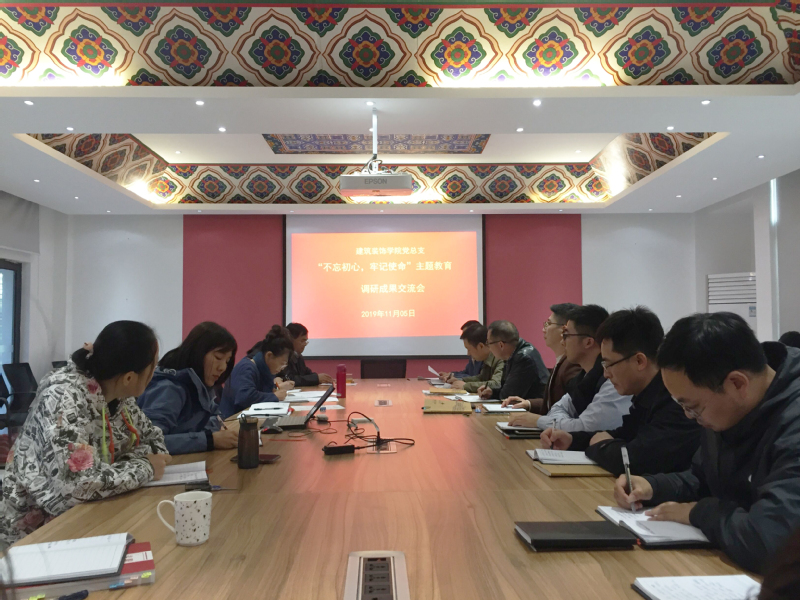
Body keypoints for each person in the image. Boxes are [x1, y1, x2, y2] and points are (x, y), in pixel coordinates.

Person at [614, 312, 800, 575]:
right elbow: (704, 478)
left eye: (694, 407)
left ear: (737, 383)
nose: (690, 417)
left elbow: (771, 542)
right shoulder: (728, 407)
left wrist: (700, 513)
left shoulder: (792, 423)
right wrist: (654, 486)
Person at [0, 321, 170, 545]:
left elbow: (154, 441)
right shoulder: (63, 399)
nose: (154, 373)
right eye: (152, 367)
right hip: (33, 533)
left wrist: (121, 468)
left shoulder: (121, 399)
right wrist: (145, 466)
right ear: (129, 377)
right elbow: (79, 486)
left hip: (89, 512)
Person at [541, 307, 701, 476]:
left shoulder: (674, 400)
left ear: (639, 361)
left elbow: (636, 460)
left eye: (609, 364)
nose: (605, 374)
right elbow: (624, 435)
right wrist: (572, 440)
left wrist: (600, 445)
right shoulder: (645, 394)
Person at [509, 305, 631, 431]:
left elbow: (586, 427)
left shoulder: (612, 380)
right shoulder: (585, 375)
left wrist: (539, 421)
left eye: (566, 334)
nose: (563, 341)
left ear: (588, 342)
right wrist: (561, 422)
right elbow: (558, 408)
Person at [137, 322, 239, 455]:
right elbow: (150, 443)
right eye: (218, 357)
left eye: (227, 361)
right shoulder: (169, 388)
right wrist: (209, 440)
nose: (223, 367)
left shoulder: (201, 384)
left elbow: (215, 416)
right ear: (198, 353)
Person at [502, 303, 582, 414]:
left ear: (564, 329)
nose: (543, 329)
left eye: (548, 324)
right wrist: (528, 403)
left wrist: (537, 420)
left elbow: (570, 413)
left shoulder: (573, 365)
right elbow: (555, 403)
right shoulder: (562, 361)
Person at [219, 325, 294, 419]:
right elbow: (244, 397)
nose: (282, 368)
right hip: (232, 421)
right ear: (269, 355)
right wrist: (274, 396)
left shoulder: (264, 370)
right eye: (282, 364)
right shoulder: (246, 367)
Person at [476, 321, 546, 401]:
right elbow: (505, 389)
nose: (489, 347)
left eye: (488, 343)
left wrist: (495, 393)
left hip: (536, 408)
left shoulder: (523, 358)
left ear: (501, 345)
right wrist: (492, 392)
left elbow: (508, 395)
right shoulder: (513, 353)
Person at [445, 324, 504, 393]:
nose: (468, 354)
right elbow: (481, 378)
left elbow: (496, 384)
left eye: (469, 349)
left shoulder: (501, 357)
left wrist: (465, 386)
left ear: (481, 346)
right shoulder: (487, 357)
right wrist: (460, 380)